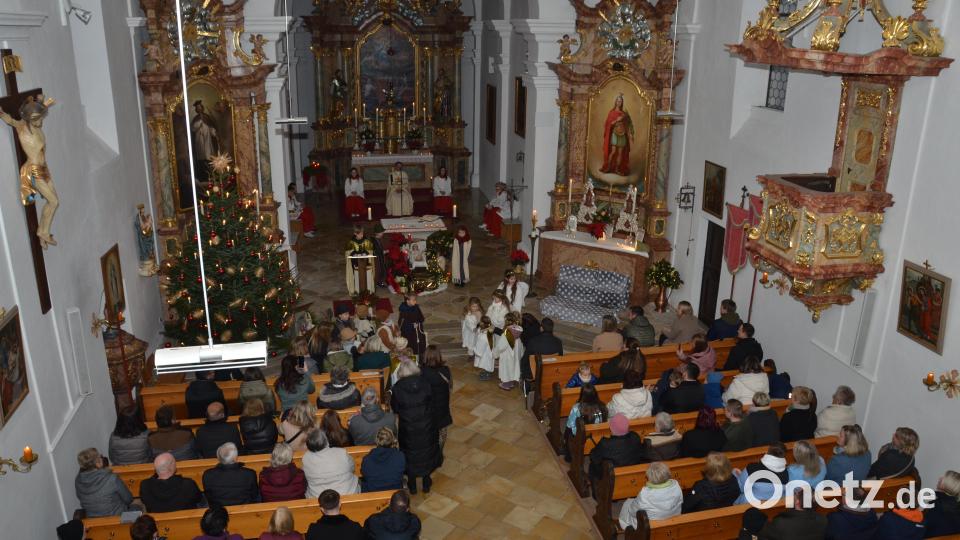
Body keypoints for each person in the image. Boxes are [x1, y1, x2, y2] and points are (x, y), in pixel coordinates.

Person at [391, 361, 441, 494]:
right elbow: (433, 403)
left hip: (408, 428)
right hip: (427, 425)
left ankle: (412, 485)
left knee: (410, 454)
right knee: (427, 451)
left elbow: (395, 408)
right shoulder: (425, 384)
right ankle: (426, 482)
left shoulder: (397, 388)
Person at [618, 461, 682, 529]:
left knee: (627, 504)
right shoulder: (676, 486)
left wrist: (629, 504)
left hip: (648, 526)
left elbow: (632, 512)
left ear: (650, 478)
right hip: (671, 519)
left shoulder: (645, 494)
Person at [74, 447, 133, 517]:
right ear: (98, 463)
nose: (102, 458)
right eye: (100, 457)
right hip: (117, 518)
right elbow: (128, 499)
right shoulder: (112, 478)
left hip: (93, 520)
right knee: (137, 505)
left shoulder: (78, 481)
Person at [302, 429, 360, 498]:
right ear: (326, 441)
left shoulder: (306, 458)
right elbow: (352, 467)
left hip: (317, 496)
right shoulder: (341, 452)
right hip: (348, 493)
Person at [588, 413, 644, 484]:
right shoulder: (635, 437)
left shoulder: (605, 443)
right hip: (632, 474)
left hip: (610, 480)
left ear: (611, 428)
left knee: (593, 465)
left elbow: (593, 456)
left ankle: (596, 487)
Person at [202, 442, 260, 506]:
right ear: (235, 457)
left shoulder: (208, 475)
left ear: (218, 456)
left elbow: (209, 497)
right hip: (245, 508)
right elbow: (254, 495)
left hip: (220, 510)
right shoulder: (249, 474)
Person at [758, 488, 827, 539]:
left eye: (796, 494)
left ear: (797, 502)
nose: (794, 495)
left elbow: (764, 535)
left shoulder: (781, 523)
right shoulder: (823, 520)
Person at [419, 346, 453, 452]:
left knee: (429, 433)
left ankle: (432, 452)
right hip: (443, 408)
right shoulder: (446, 370)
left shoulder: (422, 372)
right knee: (442, 432)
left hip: (429, 410)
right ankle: (439, 451)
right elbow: (450, 387)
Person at [361, 427, 406, 492]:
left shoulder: (366, 460)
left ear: (376, 441)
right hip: (395, 494)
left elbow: (364, 474)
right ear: (392, 440)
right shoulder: (400, 456)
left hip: (373, 493)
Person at [522, 317, 564, 382]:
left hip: (534, 373)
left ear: (541, 328)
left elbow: (525, 359)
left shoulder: (533, 341)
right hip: (550, 372)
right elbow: (560, 358)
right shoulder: (558, 342)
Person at [493, 312, 524, 390]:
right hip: (515, 354)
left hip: (507, 355)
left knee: (506, 369)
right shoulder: (518, 331)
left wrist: (495, 353)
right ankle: (511, 383)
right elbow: (520, 344)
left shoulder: (507, 333)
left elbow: (501, 346)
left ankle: (506, 384)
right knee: (512, 368)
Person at [923, 470, 960, 536]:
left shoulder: (934, 506)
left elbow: (923, 529)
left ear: (948, 484)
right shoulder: (956, 506)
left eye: (944, 478)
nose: (940, 478)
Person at [345, 227, 376, 296]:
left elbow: (370, 251)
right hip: (355, 264)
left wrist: (365, 253)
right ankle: (357, 291)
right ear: (355, 234)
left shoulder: (366, 241)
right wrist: (354, 253)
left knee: (366, 277)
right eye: (360, 234)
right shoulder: (351, 242)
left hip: (365, 264)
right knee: (356, 278)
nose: (362, 235)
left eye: (362, 233)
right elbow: (348, 253)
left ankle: (368, 290)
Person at [398, 293, 427, 358]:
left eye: (415, 300)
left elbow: (421, 318)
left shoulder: (416, 307)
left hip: (417, 330)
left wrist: (418, 322)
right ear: (407, 301)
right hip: (409, 333)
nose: (415, 301)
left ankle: (420, 358)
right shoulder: (403, 310)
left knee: (420, 345)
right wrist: (412, 325)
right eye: (413, 300)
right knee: (411, 346)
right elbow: (401, 323)